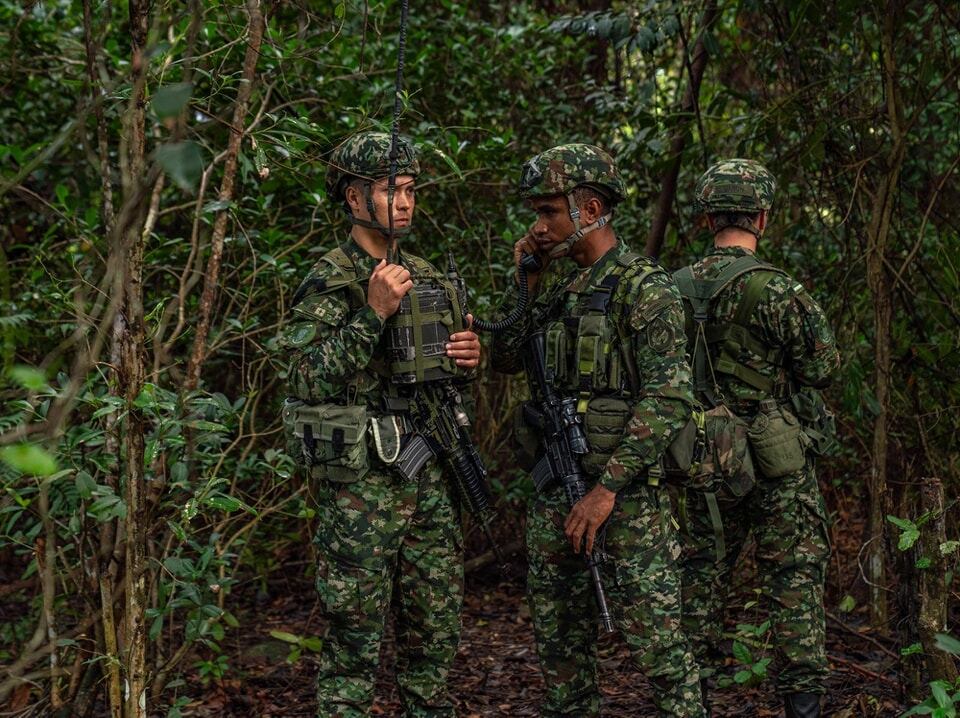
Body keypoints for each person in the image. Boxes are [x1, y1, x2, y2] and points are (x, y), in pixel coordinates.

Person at [490, 143, 704, 717]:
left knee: (663, 655)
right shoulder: (558, 288)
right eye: (536, 214)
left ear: (589, 210)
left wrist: (606, 490)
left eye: (548, 212)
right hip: (556, 494)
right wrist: (528, 282)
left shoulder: (644, 287)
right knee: (561, 654)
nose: (538, 226)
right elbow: (504, 357)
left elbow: (669, 396)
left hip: (626, 501)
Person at [280, 130, 481, 717]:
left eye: (411, 189)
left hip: (430, 478)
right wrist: (371, 313)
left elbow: (443, 376)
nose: (405, 202)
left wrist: (469, 358)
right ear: (354, 198)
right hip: (361, 492)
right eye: (392, 190)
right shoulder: (331, 278)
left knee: (434, 639)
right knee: (353, 645)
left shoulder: (424, 274)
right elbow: (303, 377)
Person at [673, 159, 840, 718]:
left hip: (700, 455)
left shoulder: (670, 289)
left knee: (699, 578)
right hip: (775, 458)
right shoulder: (780, 291)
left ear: (707, 219)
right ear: (762, 218)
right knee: (794, 579)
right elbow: (822, 368)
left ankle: (691, 701)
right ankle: (803, 705)